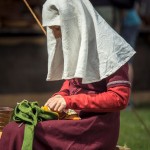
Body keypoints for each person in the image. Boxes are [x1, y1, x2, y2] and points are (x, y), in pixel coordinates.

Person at [0, 0, 135, 149]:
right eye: (52, 29)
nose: (55, 34)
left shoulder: (110, 49)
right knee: (15, 128)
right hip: (74, 118)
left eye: (58, 28)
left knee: (20, 131)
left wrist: (70, 101)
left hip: (94, 128)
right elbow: (72, 82)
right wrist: (61, 95)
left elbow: (120, 98)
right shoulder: (80, 46)